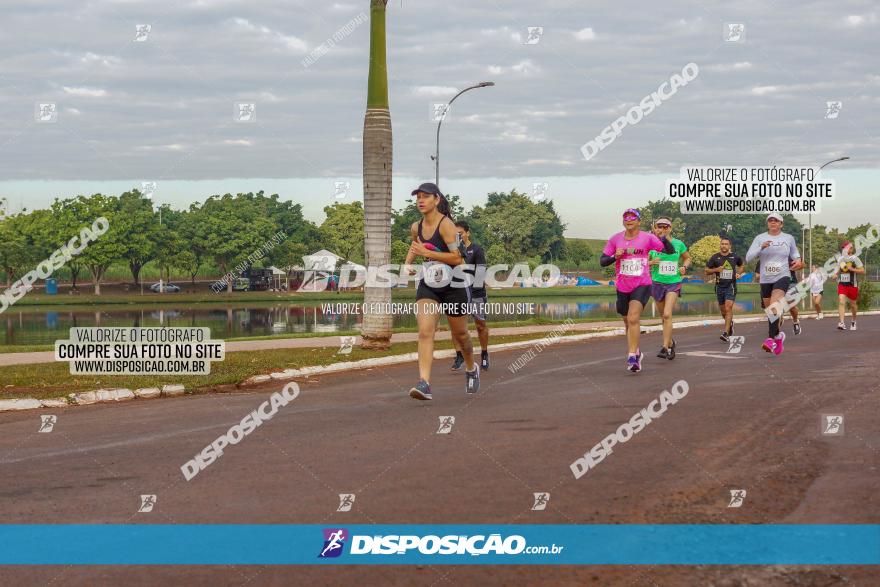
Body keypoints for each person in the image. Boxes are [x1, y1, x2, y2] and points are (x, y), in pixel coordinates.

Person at [403, 182, 480, 400]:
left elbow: (457, 258)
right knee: (425, 331)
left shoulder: (447, 226)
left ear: (436, 200)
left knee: (460, 335)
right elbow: (416, 246)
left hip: (454, 284)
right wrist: (408, 263)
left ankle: (471, 368)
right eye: (418, 196)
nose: (420, 200)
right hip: (429, 284)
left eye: (426, 196)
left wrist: (431, 255)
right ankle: (424, 383)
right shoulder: (415, 227)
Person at [600, 208, 676, 372]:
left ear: (639, 221)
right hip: (622, 285)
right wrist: (615, 257)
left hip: (642, 283)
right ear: (623, 221)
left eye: (632, 217)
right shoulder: (615, 239)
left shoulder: (648, 238)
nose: (629, 220)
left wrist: (662, 238)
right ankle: (637, 350)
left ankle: (632, 356)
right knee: (628, 321)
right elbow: (603, 261)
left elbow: (670, 251)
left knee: (634, 318)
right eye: (626, 217)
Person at [745, 213, 804, 355]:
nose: (772, 223)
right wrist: (761, 248)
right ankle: (779, 336)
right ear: (767, 224)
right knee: (771, 312)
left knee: (774, 306)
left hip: (783, 275)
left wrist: (797, 260)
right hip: (766, 278)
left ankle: (770, 339)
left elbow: (795, 253)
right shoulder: (760, 238)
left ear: (781, 224)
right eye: (770, 221)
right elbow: (748, 258)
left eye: (776, 221)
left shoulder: (788, 238)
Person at [450, 221, 490, 371]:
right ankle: (459, 355)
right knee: (456, 328)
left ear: (468, 233)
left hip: (475, 292)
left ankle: (484, 353)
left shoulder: (476, 250)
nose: (458, 236)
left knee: (480, 325)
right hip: (457, 292)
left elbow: (480, 272)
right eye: (456, 234)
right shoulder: (452, 251)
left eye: (460, 233)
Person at [647, 217, 690, 359]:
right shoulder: (651, 244)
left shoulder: (678, 244)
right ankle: (671, 342)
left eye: (666, 227)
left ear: (670, 228)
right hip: (657, 283)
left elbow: (687, 258)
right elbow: (642, 263)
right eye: (659, 227)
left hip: (673, 282)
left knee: (667, 314)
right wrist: (652, 262)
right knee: (663, 317)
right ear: (655, 228)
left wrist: (684, 266)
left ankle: (664, 347)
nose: (663, 229)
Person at [705, 236, 744, 342]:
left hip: (730, 286)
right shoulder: (715, 257)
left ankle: (726, 333)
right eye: (722, 244)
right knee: (723, 311)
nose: (724, 246)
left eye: (726, 244)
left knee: (728, 307)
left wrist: (739, 273)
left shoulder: (734, 257)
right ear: (720, 245)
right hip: (719, 286)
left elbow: (741, 266)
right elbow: (706, 271)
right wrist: (716, 269)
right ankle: (730, 323)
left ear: (729, 246)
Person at [835, 241, 865, 331]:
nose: (844, 249)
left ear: (851, 249)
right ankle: (841, 323)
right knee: (841, 301)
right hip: (842, 284)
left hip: (852, 285)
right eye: (843, 248)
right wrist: (835, 275)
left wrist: (853, 269)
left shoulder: (855, 259)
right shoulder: (840, 259)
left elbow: (863, 271)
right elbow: (837, 271)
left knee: (853, 305)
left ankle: (853, 321)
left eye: (846, 248)